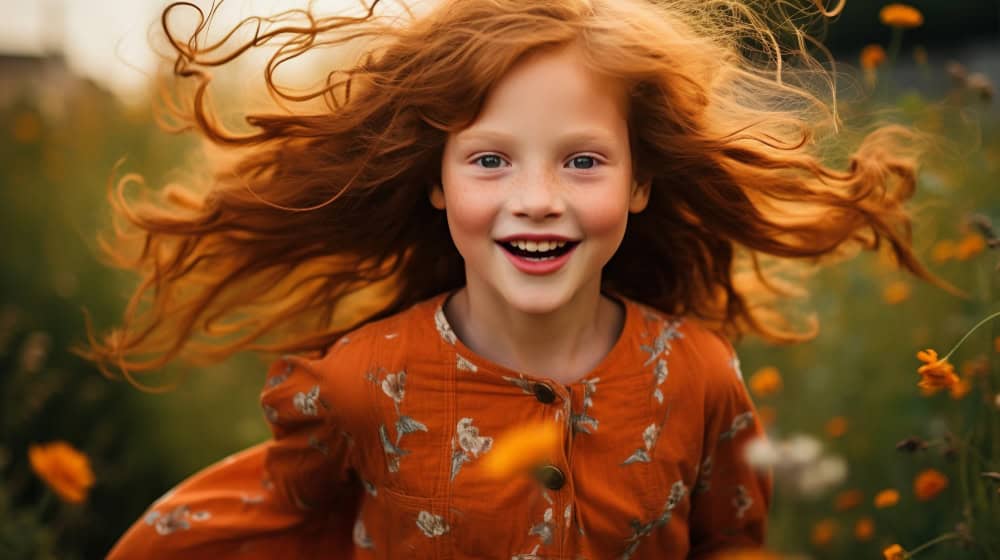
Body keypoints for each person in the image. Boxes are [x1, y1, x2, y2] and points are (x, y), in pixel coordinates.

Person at [86, 0, 945, 557]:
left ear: (640, 183)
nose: (536, 201)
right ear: (438, 180)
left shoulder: (700, 376)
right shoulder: (357, 383)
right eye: (491, 160)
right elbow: (252, 524)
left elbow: (735, 544)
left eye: (582, 161)